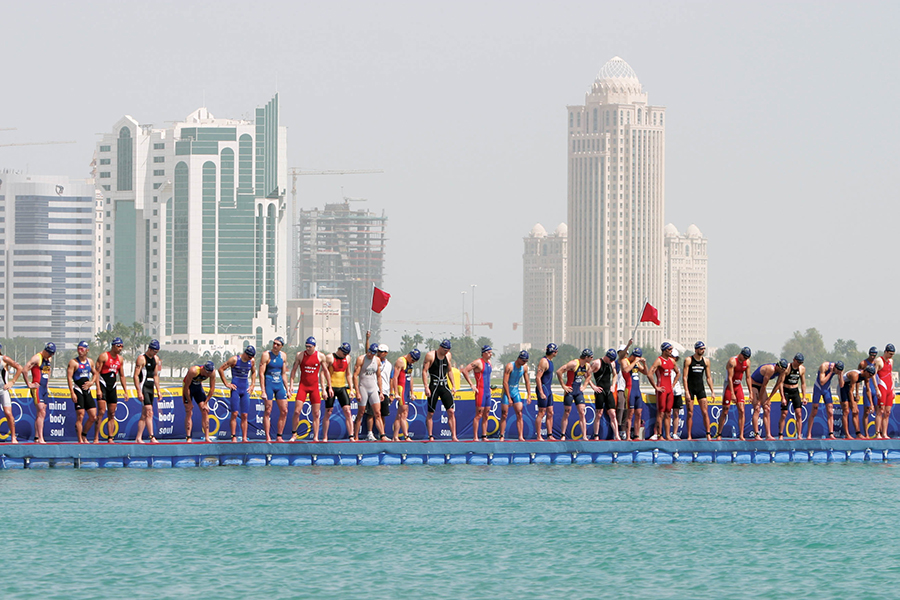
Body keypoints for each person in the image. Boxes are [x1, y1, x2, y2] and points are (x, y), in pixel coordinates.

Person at [288, 336, 329, 442]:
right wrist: (291, 385)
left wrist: (326, 388)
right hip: (303, 387)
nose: (307, 348)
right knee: (297, 411)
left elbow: (325, 372)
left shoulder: (320, 356)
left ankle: (315, 437)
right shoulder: (300, 355)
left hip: (314, 388)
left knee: (316, 413)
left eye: (309, 347)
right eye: (306, 346)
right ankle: (294, 434)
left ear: (314, 347)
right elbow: (293, 371)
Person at [421, 340, 459, 441]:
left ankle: (454, 436)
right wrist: (426, 387)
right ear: (440, 347)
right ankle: (430, 435)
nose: (446, 352)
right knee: (431, 413)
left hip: (445, 386)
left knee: (451, 411)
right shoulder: (431, 355)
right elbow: (424, 371)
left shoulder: (448, 356)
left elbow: (449, 370)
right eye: (445, 350)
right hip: (434, 386)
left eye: (448, 350)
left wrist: (454, 385)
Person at [218, 346, 257, 442]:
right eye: (249, 356)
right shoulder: (234, 360)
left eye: (252, 357)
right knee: (234, 413)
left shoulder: (251, 361)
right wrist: (226, 384)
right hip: (236, 388)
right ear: (245, 353)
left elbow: (254, 372)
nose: (250, 358)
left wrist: (252, 385)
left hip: (245, 389)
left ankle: (244, 437)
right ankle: (233, 436)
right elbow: (221, 369)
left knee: (245, 415)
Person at [95, 337, 128, 443]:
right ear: (113, 346)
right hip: (103, 385)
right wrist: (98, 389)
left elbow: (122, 376)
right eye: (118, 346)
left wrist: (125, 391)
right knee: (101, 412)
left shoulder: (120, 359)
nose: (120, 348)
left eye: (122, 346)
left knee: (112, 413)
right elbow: (96, 373)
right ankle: (96, 437)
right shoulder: (104, 356)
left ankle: (110, 437)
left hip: (112, 386)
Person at [555, 349, 594, 441]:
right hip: (570, 390)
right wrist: (563, 385)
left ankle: (584, 436)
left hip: (578, 391)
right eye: (591, 357)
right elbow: (559, 371)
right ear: (586, 357)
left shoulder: (587, 366)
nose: (592, 359)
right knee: (567, 412)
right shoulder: (574, 364)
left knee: (582, 412)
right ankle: (563, 435)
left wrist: (584, 386)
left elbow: (589, 376)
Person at [354, 343, 387, 441]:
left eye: (372, 353)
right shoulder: (361, 359)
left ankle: (382, 435)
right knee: (360, 413)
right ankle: (355, 436)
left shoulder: (377, 360)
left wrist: (381, 391)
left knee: (377, 413)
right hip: (363, 387)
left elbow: (379, 376)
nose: (370, 355)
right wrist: (357, 392)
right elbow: (355, 376)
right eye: (369, 352)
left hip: (373, 388)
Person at [682, 341, 715, 441]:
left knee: (705, 412)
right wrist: (686, 391)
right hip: (691, 388)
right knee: (690, 413)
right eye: (701, 349)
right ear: (696, 349)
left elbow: (708, 377)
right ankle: (689, 435)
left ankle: (708, 434)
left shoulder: (706, 361)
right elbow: (684, 377)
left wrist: (712, 391)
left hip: (700, 388)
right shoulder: (688, 360)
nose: (703, 351)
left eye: (704, 349)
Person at [717, 347, 752, 440]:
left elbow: (748, 377)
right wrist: (732, 393)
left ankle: (741, 435)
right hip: (729, 386)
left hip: (738, 385)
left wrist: (751, 392)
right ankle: (719, 433)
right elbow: (729, 378)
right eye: (744, 357)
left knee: (742, 410)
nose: (745, 359)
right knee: (725, 410)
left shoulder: (747, 362)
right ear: (740, 354)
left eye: (746, 358)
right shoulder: (733, 361)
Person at [749, 359, 788, 440]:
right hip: (754, 384)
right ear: (777, 366)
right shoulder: (771, 369)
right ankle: (756, 435)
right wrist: (759, 401)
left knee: (767, 409)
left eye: (783, 370)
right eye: (781, 370)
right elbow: (764, 386)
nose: (782, 372)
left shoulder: (783, 371)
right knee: (757, 408)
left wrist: (769, 398)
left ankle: (768, 435)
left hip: (761, 386)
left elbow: (778, 385)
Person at [460, 345, 494, 441]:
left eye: (491, 352)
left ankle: (484, 435)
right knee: (479, 415)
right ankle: (475, 436)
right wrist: (472, 385)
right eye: (489, 352)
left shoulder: (489, 363)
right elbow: (465, 370)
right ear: (484, 353)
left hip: (487, 391)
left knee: (486, 414)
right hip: (480, 391)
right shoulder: (478, 362)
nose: (490, 354)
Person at [66, 341, 97, 444]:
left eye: (82, 349)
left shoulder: (90, 362)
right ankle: (80, 440)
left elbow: (95, 373)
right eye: (78, 349)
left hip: (87, 390)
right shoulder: (74, 362)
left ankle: (84, 435)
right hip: (78, 390)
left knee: (93, 416)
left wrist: (92, 382)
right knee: (80, 415)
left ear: (87, 350)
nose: (80, 351)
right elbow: (69, 378)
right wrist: (72, 392)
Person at [258, 337, 288, 443]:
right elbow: (261, 374)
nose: (275, 346)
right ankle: (267, 436)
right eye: (274, 343)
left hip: (279, 385)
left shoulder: (283, 356)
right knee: (268, 410)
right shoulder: (266, 355)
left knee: (284, 411)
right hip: (269, 384)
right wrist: (263, 390)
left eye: (278, 344)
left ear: (281, 346)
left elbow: (283, 374)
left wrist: (287, 388)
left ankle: (279, 436)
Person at [25, 342, 56, 444]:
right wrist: (29, 383)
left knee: (42, 412)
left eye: (53, 354)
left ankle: (36, 437)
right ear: (45, 351)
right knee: (41, 411)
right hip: (37, 388)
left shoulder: (49, 359)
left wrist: (47, 383)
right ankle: (41, 438)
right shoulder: (37, 358)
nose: (51, 356)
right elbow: (25, 369)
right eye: (50, 353)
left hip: (44, 388)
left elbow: (48, 370)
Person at [323, 342, 355, 441]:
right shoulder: (330, 357)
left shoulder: (348, 358)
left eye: (346, 354)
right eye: (344, 353)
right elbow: (322, 373)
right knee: (328, 412)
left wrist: (351, 389)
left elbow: (348, 374)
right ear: (339, 350)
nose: (345, 355)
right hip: (331, 387)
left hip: (342, 387)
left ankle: (351, 436)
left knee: (348, 411)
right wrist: (324, 389)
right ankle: (325, 436)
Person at [649, 342, 679, 441]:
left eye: (671, 349)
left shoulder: (671, 361)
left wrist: (673, 384)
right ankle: (659, 435)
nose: (671, 351)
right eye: (669, 349)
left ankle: (668, 435)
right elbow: (650, 374)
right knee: (661, 412)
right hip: (662, 389)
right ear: (664, 350)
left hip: (669, 389)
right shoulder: (659, 360)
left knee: (668, 413)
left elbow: (678, 372)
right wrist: (656, 387)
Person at [134, 339, 162, 444]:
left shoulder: (156, 359)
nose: (155, 353)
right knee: (149, 411)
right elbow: (136, 376)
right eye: (154, 351)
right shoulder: (141, 359)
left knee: (145, 414)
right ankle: (152, 437)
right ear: (149, 349)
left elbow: (155, 376)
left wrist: (158, 390)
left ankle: (138, 437)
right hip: (143, 387)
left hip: (151, 388)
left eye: (157, 351)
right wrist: (138, 391)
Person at [806, 360, 843, 440]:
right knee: (814, 411)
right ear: (835, 368)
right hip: (818, 388)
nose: (837, 373)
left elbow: (841, 385)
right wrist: (830, 373)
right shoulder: (824, 366)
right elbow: (822, 382)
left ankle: (831, 433)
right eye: (837, 371)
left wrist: (840, 375)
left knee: (830, 411)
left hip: (826, 389)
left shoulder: (839, 370)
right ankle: (809, 434)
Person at [391, 348, 421, 441]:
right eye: (412, 360)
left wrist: (412, 392)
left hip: (407, 389)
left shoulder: (410, 363)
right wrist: (395, 392)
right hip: (401, 389)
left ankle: (395, 437)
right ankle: (406, 436)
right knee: (404, 413)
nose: (413, 362)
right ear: (409, 355)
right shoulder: (401, 361)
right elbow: (395, 378)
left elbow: (410, 378)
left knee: (399, 414)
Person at [840, 365, 877, 439]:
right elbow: (850, 391)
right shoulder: (855, 375)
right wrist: (853, 404)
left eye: (871, 376)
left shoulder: (866, 377)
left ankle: (858, 433)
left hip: (849, 387)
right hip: (843, 387)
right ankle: (847, 434)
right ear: (866, 371)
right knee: (846, 411)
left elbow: (867, 390)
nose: (870, 377)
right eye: (869, 375)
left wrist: (871, 404)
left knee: (856, 412)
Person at [182, 361, 216, 443]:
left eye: (209, 374)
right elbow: (186, 388)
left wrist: (205, 403)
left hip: (198, 388)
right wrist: (190, 402)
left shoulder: (212, 373)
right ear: (203, 369)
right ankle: (188, 437)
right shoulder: (194, 371)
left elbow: (212, 389)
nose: (208, 375)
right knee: (189, 411)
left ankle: (207, 437)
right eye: (207, 373)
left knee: (205, 411)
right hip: (188, 388)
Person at [590, 349, 620, 440]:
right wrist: (593, 386)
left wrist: (613, 385)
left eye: (612, 360)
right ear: (606, 356)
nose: (611, 362)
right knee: (599, 414)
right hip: (600, 391)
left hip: (608, 390)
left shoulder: (612, 364)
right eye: (610, 360)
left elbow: (615, 375)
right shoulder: (597, 363)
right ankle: (596, 435)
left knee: (613, 413)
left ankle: (617, 435)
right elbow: (587, 374)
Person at [502, 350, 531, 441]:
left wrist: (529, 395)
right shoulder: (510, 366)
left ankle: (520, 436)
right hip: (507, 392)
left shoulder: (524, 368)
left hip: (515, 391)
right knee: (504, 414)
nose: (524, 363)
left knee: (519, 413)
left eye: (526, 361)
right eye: (523, 361)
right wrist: (509, 397)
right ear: (518, 359)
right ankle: (502, 436)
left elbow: (527, 382)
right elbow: (505, 382)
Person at [777, 353, 807, 440]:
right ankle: (781, 434)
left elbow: (803, 383)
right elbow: (780, 383)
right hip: (786, 390)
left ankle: (799, 435)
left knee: (799, 414)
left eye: (801, 363)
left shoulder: (802, 369)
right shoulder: (787, 368)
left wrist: (804, 396)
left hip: (795, 391)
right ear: (794, 360)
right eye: (798, 362)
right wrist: (782, 397)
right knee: (784, 414)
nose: (799, 364)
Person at [624, 348, 650, 440]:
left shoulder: (637, 363)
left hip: (637, 390)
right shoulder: (626, 361)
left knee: (638, 413)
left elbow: (646, 372)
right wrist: (634, 362)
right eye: (636, 357)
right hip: (629, 389)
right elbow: (626, 370)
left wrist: (644, 363)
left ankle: (636, 435)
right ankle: (627, 436)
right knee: (630, 413)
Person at [0, 343, 24, 444]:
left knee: (8, 413)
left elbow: (19, 368)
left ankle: (13, 436)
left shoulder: (3, 359)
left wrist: (12, 381)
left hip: (3, 390)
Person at [534, 343, 558, 441]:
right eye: (556, 351)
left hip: (548, 390)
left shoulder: (550, 361)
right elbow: (538, 378)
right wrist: (541, 392)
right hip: (543, 389)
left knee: (550, 412)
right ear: (553, 352)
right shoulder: (544, 361)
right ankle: (539, 435)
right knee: (541, 412)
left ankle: (549, 434)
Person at [367, 343, 392, 440]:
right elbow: (367, 351)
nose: (379, 353)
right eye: (378, 351)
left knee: (383, 414)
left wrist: (392, 393)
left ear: (386, 353)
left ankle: (382, 434)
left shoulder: (389, 365)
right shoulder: (371, 361)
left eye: (381, 352)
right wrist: (367, 339)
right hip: (373, 390)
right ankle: (370, 433)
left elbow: (391, 378)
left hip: (385, 391)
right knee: (371, 413)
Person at [873, 344, 895, 439]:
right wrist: (877, 389)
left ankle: (885, 433)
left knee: (887, 412)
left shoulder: (891, 361)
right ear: (885, 352)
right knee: (880, 410)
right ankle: (878, 432)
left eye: (892, 354)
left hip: (889, 387)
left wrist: (893, 389)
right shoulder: (879, 361)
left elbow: (890, 375)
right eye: (890, 354)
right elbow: (873, 375)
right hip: (882, 386)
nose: (891, 356)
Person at [859, 347, 880, 435]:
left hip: (875, 388)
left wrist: (877, 389)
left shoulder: (876, 363)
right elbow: (859, 376)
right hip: (867, 387)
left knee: (878, 410)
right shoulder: (863, 363)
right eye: (871, 355)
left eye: (874, 355)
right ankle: (866, 433)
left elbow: (876, 376)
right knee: (867, 411)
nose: (873, 357)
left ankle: (878, 432)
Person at [614, 340, 634, 435]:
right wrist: (628, 345)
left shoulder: (629, 362)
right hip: (619, 389)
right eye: (621, 352)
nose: (623, 354)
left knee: (627, 410)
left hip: (628, 388)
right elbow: (621, 357)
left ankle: (623, 430)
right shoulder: (617, 362)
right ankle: (617, 430)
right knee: (620, 409)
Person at [670, 348, 685, 439]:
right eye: (672, 357)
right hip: (668, 392)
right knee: (665, 413)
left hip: (677, 392)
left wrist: (673, 385)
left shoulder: (677, 368)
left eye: (675, 358)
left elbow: (678, 375)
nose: (674, 359)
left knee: (676, 413)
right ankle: (663, 433)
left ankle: (675, 433)